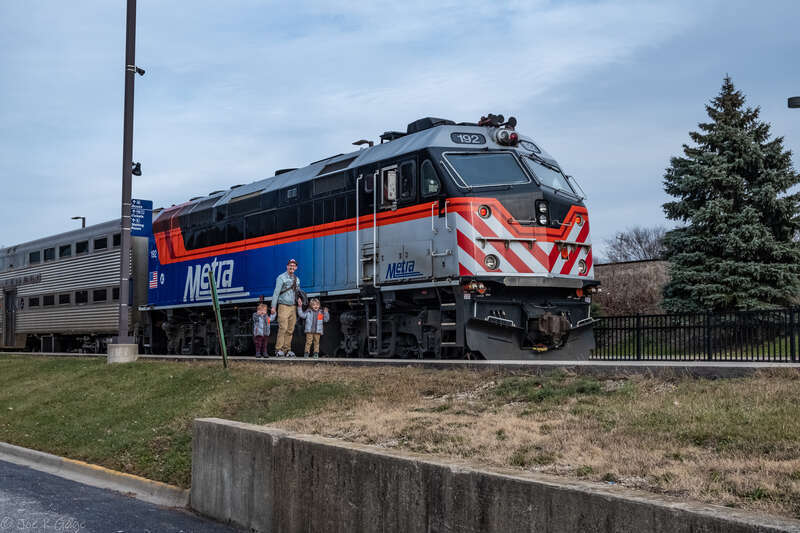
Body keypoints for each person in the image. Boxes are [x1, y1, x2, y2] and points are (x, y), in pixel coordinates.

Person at [271, 258, 300, 357]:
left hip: (293, 307)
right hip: (283, 306)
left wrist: (299, 299)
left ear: (296, 268)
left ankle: (287, 350)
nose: (292, 267)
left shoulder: (297, 279)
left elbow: (297, 292)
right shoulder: (281, 277)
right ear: (287, 267)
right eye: (290, 265)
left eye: (293, 266)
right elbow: (276, 293)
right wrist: (273, 307)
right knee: (283, 328)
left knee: (290, 329)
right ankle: (278, 350)